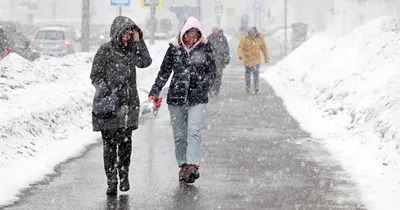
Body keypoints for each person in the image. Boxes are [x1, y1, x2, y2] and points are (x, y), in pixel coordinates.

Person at [148, 16, 216, 184]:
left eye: (195, 37)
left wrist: (203, 86)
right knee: (179, 135)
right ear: (183, 34)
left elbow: (212, 72)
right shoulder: (174, 48)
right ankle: (183, 165)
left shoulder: (205, 48)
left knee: (194, 131)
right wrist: (155, 91)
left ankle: (193, 165)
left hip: (197, 98)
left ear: (199, 36)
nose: (192, 40)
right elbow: (164, 71)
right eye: (189, 36)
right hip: (176, 98)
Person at [90, 16, 152, 196]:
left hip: (128, 104)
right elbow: (95, 75)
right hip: (108, 106)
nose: (127, 36)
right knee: (109, 146)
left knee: (125, 144)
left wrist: (139, 41)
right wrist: (107, 91)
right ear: (117, 32)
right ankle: (111, 180)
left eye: (130, 32)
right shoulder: (105, 50)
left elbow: (145, 62)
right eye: (124, 32)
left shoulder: (133, 49)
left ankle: (124, 175)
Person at [237, 27, 269, 94]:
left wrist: (266, 57)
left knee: (256, 73)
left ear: (256, 33)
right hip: (247, 60)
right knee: (247, 74)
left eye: (254, 33)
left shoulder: (259, 39)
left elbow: (264, 48)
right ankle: (248, 86)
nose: (252, 35)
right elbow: (240, 47)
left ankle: (256, 87)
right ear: (249, 33)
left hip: (256, 60)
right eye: (251, 33)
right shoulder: (245, 39)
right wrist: (239, 55)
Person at [207, 26, 230, 96]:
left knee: (218, 75)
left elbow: (226, 48)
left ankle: (216, 89)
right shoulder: (209, 38)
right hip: (211, 60)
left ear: (219, 30)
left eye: (216, 29)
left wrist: (226, 58)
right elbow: (206, 48)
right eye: (213, 29)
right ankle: (211, 89)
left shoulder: (223, 38)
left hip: (220, 60)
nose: (215, 30)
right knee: (211, 75)